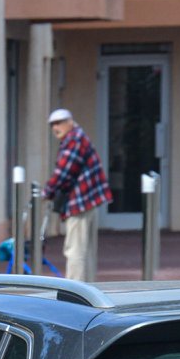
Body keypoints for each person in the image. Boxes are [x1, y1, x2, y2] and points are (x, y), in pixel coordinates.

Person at [45, 108, 112, 283]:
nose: (55, 128)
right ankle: (88, 287)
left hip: (79, 203)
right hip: (88, 201)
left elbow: (64, 172)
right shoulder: (78, 137)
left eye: (59, 123)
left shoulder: (74, 140)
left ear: (70, 122)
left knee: (75, 250)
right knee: (87, 250)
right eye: (52, 124)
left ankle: (76, 291)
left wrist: (47, 192)